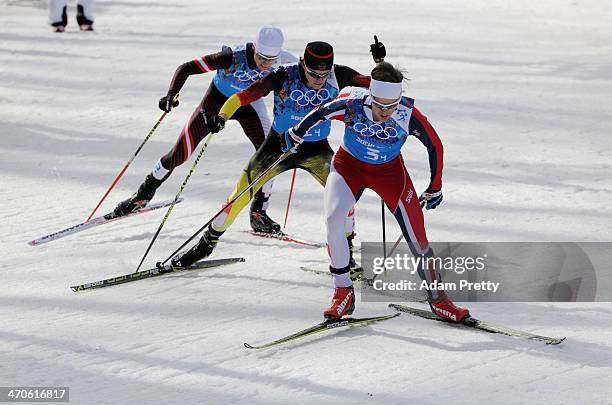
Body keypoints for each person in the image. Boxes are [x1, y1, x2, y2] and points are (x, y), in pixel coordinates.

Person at [171, 41, 375, 274]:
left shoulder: (340, 74)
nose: (319, 80)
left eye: (324, 74)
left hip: (317, 150)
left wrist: (380, 66)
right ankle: (206, 245)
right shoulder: (283, 75)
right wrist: (223, 115)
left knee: (345, 198)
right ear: (302, 64)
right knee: (238, 196)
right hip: (277, 147)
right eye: (313, 74)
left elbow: (378, 87)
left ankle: (346, 251)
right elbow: (243, 96)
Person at [287, 61, 470, 322]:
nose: (385, 112)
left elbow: (435, 146)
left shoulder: (407, 114)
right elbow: (319, 113)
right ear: (370, 96)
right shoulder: (351, 104)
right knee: (333, 219)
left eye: (391, 106)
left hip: (390, 173)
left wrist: (435, 186)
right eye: (379, 105)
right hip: (348, 167)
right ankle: (343, 292)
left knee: (417, 235)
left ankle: (440, 300)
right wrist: (296, 134)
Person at [114, 26, 296, 234]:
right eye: (261, 57)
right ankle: (142, 196)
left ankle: (259, 214)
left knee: (270, 157)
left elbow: (308, 79)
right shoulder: (231, 57)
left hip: (249, 108)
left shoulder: (287, 60)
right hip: (215, 103)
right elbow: (187, 67)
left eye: (271, 59)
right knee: (179, 154)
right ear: (254, 47)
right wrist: (171, 94)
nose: (265, 64)